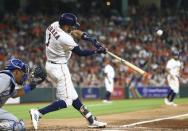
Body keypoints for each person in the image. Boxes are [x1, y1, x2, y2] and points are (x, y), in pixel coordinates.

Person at [29, 13, 107, 130]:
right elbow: (80, 53)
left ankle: (91, 120)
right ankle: (38, 113)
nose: (74, 27)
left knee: (74, 97)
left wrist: (91, 39)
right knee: (66, 101)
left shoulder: (54, 25)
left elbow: (75, 32)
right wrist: (97, 51)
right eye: (72, 25)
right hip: (60, 69)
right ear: (66, 25)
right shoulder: (64, 38)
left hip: (51, 65)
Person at [0, 58, 37, 130]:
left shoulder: (9, 80)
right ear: (16, 71)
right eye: (23, 73)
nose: (24, 76)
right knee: (17, 125)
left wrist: (31, 86)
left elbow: (15, 94)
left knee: (18, 125)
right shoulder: (6, 78)